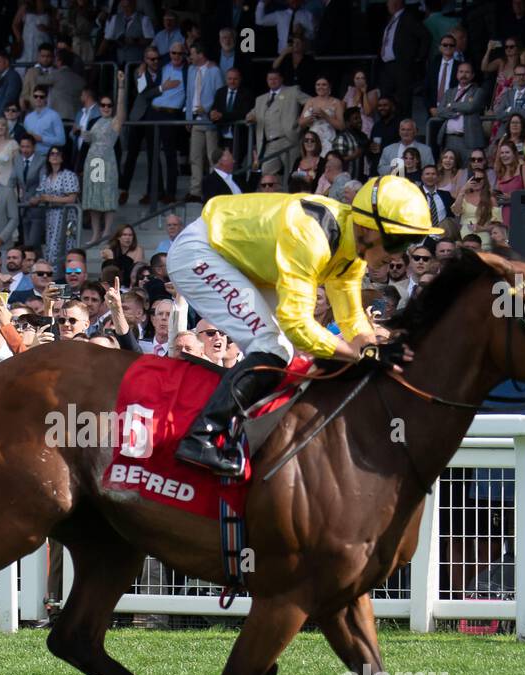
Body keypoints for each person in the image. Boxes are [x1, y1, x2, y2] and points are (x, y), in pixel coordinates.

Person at [167, 176, 441, 476]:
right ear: (366, 229)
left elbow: (350, 317)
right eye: (397, 241)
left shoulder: (351, 247)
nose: (398, 253)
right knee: (273, 346)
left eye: (408, 243)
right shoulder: (311, 236)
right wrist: (358, 355)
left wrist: (373, 349)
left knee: (286, 352)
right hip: (201, 253)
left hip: (243, 262)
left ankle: (249, 431)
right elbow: (298, 324)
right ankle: (201, 437)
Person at [79, 74, 125, 245]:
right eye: (103, 105)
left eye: (109, 105)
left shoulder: (115, 122)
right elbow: (89, 141)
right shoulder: (94, 121)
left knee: (108, 195)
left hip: (107, 161)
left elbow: (121, 110)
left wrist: (121, 86)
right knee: (93, 197)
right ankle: (96, 233)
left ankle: (107, 231)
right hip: (93, 161)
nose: (106, 108)